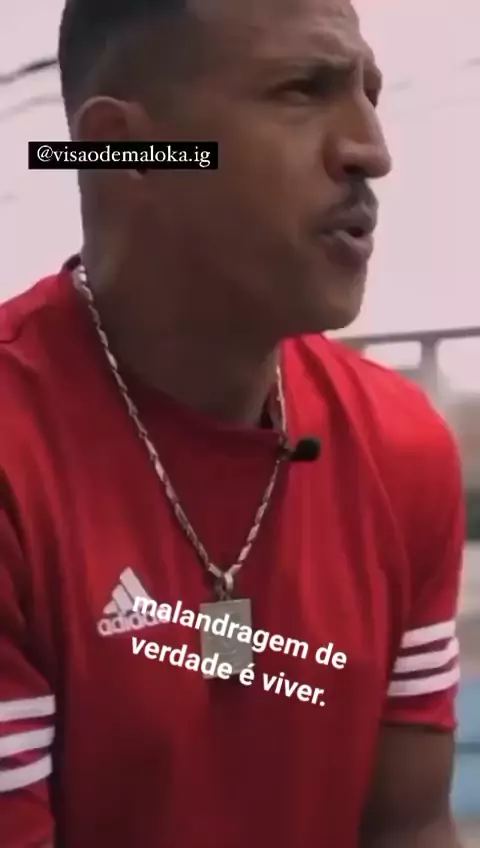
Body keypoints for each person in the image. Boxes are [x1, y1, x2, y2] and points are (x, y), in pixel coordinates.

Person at [0, 0, 464, 845]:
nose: (372, 150)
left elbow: (409, 829)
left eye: (368, 93)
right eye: (302, 90)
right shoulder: (15, 455)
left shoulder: (402, 446)